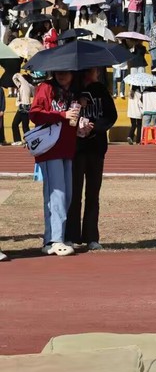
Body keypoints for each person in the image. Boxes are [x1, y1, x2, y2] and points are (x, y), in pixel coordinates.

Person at [30, 70, 81, 257]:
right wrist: (61, 114)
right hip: (50, 148)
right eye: (58, 71)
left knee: (67, 195)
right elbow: (35, 114)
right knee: (56, 194)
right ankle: (53, 240)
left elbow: (71, 120)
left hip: (67, 148)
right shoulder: (45, 88)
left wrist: (80, 125)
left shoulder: (74, 93)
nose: (61, 75)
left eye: (65, 71)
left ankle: (57, 236)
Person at [67, 67, 117, 251]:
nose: (92, 74)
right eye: (88, 71)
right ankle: (71, 236)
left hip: (96, 148)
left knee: (93, 194)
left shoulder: (101, 90)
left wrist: (95, 127)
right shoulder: (72, 90)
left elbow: (111, 115)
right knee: (74, 194)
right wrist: (77, 105)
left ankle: (91, 237)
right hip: (76, 149)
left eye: (94, 71)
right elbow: (66, 116)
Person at [10, 72, 34, 146]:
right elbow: (14, 79)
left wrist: (18, 74)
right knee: (17, 124)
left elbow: (15, 76)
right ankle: (19, 140)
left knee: (24, 126)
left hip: (24, 106)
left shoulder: (25, 84)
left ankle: (28, 141)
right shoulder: (27, 86)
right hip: (22, 107)